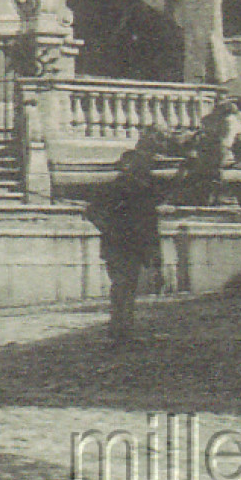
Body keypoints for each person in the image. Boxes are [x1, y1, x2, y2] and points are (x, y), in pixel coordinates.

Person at [85, 148, 165, 346]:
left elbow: (150, 223)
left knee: (124, 286)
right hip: (122, 244)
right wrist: (109, 228)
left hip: (127, 244)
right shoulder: (116, 190)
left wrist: (107, 228)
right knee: (124, 286)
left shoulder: (140, 191)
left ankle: (121, 328)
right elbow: (93, 212)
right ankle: (121, 329)